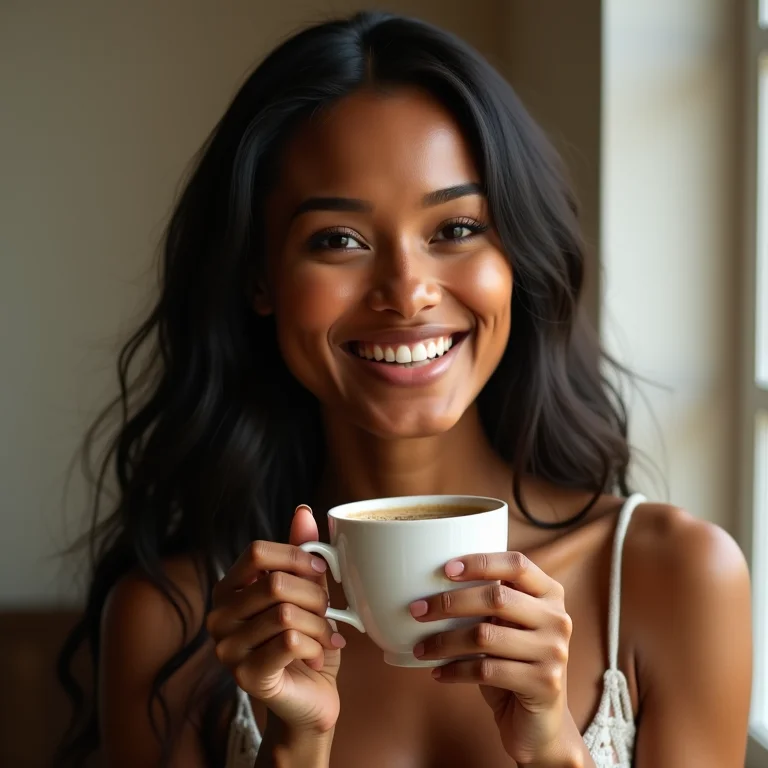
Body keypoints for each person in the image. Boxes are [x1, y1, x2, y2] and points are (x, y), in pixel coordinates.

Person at [55, 11, 752, 768]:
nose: (407, 292)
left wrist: (554, 751)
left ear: (516, 254)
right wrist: (293, 749)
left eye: (455, 228)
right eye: (338, 240)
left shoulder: (673, 581)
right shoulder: (174, 624)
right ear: (259, 277)